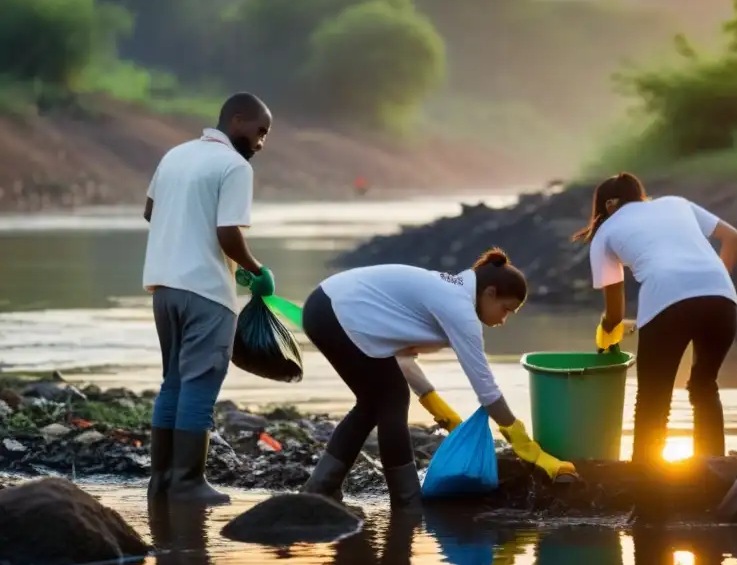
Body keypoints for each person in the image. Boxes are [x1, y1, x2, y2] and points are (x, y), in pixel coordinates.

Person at [299, 248, 577, 508]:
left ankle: (321, 490)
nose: (504, 320)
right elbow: (487, 391)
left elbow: (402, 360)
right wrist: (527, 448)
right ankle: (405, 501)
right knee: (390, 399)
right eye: (506, 309)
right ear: (490, 293)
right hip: (335, 311)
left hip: (330, 306)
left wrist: (438, 408)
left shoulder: (453, 295)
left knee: (377, 402)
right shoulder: (460, 309)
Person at [143, 92, 276, 505]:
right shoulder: (233, 166)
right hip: (205, 291)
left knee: (174, 382)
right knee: (200, 384)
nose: (261, 143)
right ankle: (188, 482)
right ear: (237, 121)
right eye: (260, 131)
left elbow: (150, 211)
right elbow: (228, 235)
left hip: (164, 287)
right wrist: (256, 271)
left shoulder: (175, 155)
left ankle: (161, 481)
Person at [572, 172, 737, 462]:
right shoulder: (676, 203)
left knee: (653, 400)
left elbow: (615, 313)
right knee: (704, 386)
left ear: (609, 205)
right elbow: (732, 237)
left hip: (667, 302)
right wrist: (707, 284)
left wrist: (605, 332)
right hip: (723, 299)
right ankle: (715, 475)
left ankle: (647, 489)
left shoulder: (606, 232)